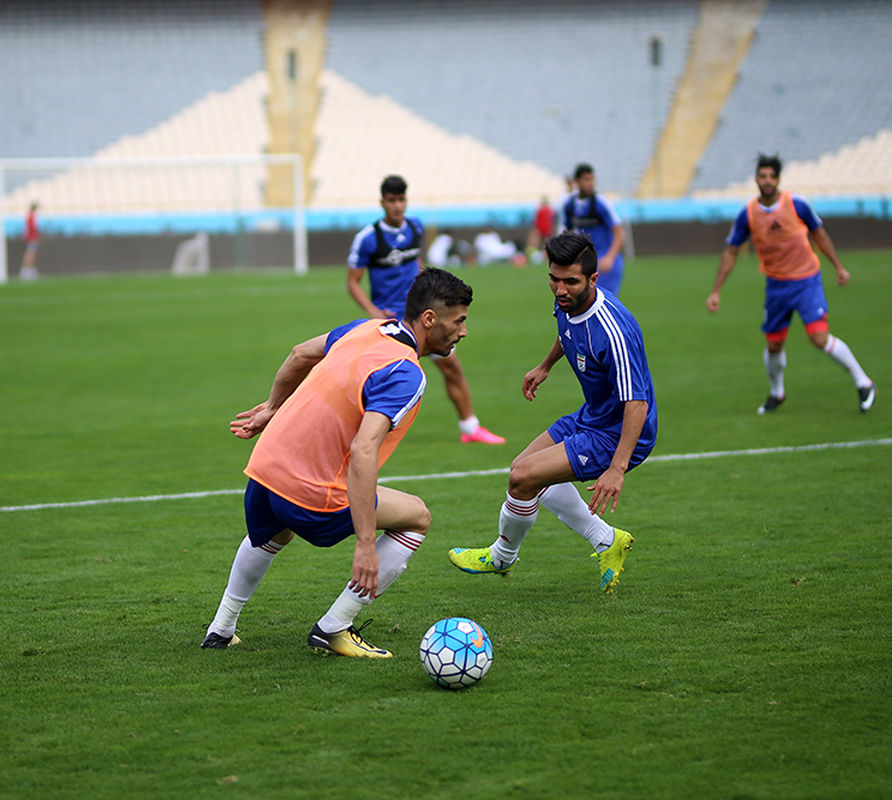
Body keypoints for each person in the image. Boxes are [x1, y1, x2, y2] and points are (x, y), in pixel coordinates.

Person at [202, 268, 475, 657]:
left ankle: (221, 628)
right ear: (430, 319)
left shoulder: (367, 329)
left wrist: (271, 408)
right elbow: (364, 451)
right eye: (459, 320)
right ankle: (335, 627)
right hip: (312, 494)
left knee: (272, 533)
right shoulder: (405, 372)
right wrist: (365, 543)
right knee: (417, 517)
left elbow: (299, 354)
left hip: (264, 470)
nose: (463, 331)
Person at [448, 231, 656, 593]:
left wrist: (617, 468)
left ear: (593, 279)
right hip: (593, 415)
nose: (560, 289)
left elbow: (637, 402)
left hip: (618, 431)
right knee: (523, 470)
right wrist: (545, 366)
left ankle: (502, 557)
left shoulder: (614, 330)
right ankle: (608, 541)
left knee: (523, 478)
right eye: (554, 279)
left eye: (570, 282)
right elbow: (568, 332)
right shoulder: (569, 303)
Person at [705, 153, 876, 414]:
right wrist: (716, 290)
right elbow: (731, 251)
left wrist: (838, 266)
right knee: (773, 344)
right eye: (762, 176)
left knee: (818, 337)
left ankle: (864, 383)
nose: (767, 181)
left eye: (772, 176)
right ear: (756, 179)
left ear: (778, 179)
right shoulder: (748, 214)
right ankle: (777, 393)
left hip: (806, 281)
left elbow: (819, 235)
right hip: (776, 286)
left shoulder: (797, 204)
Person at [348, 175, 505, 445]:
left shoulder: (415, 227)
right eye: (391, 200)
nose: (397, 205)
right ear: (382, 202)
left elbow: (416, 263)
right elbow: (353, 282)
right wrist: (373, 311)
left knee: (452, 367)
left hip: (423, 317)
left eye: (401, 200)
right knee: (381, 378)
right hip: (391, 322)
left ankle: (470, 428)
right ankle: (363, 434)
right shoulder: (368, 238)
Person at [561, 163, 625, 297]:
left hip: (604, 261)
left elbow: (619, 232)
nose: (590, 183)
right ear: (576, 182)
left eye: (592, 179)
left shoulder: (601, 203)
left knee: (605, 302)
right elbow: (567, 232)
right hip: (585, 262)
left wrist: (610, 257)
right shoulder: (570, 205)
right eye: (586, 179)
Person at [526, 196, 555, 264]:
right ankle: (536, 257)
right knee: (541, 244)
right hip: (543, 228)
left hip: (544, 228)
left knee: (544, 244)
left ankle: (542, 258)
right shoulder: (546, 210)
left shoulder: (545, 210)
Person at [19, 202, 40, 280]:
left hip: (31, 238)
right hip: (31, 238)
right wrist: (34, 236)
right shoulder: (31, 216)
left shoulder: (30, 215)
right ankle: (27, 270)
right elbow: (31, 228)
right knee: (30, 254)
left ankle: (29, 270)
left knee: (31, 253)